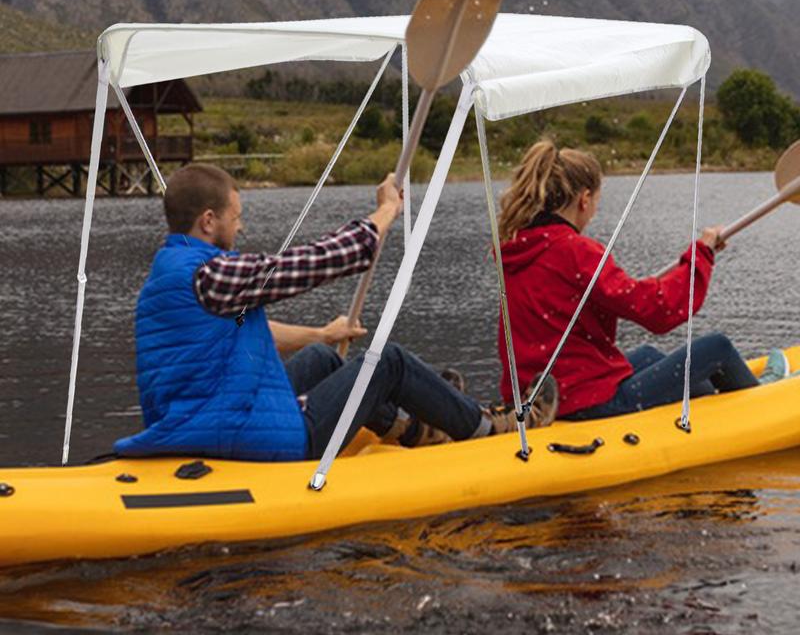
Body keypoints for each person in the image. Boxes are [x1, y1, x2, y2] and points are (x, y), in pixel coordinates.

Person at [115, 164, 557, 462]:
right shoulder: (211, 275)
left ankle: (415, 426)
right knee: (387, 361)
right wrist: (386, 210)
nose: (241, 226)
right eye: (236, 217)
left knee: (325, 361)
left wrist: (320, 335)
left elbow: (242, 334)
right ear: (208, 221)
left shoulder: (169, 271)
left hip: (203, 419)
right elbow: (324, 259)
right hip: (248, 436)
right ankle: (487, 429)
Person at [495, 140, 788, 422]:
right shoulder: (575, 251)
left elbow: (614, 294)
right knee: (718, 348)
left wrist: (690, 261)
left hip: (541, 395)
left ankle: (718, 402)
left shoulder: (517, 247)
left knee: (647, 355)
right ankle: (764, 403)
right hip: (586, 402)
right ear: (584, 200)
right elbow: (660, 311)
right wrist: (702, 255)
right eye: (596, 201)